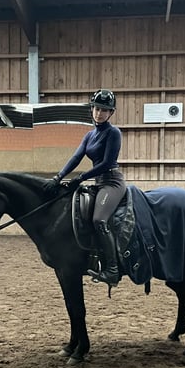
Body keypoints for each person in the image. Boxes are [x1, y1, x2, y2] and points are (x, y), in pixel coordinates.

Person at [45, 89, 126, 286]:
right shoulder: (90, 135)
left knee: (99, 219)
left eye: (104, 110)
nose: (99, 113)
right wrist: (58, 177)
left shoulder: (113, 133)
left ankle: (112, 270)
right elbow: (76, 158)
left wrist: (80, 178)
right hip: (98, 182)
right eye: (97, 109)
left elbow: (107, 162)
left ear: (111, 113)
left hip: (112, 182)